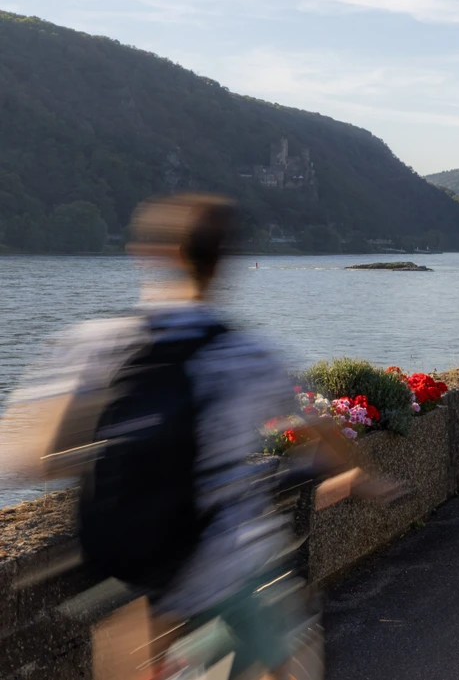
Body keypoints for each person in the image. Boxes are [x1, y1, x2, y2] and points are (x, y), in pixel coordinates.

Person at [1, 194, 390, 679]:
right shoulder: (245, 356)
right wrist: (360, 476)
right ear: (221, 265)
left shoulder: (96, 344)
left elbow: (29, 456)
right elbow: (323, 433)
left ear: (149, 254)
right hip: (227, 564)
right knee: (290, 664)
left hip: (129, 564)